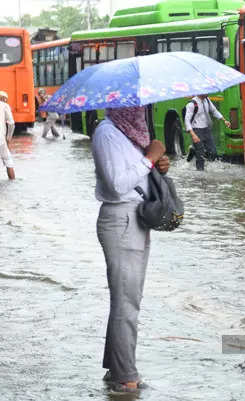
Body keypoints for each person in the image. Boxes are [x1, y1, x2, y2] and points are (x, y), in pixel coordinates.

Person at [92, 106, 169, 393]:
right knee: (127, 303)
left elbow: (137, 177)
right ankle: (126, 378)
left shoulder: (130, 135)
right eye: (133, 102)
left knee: (127, 299)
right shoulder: (107, 133)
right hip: (121, 219)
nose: (140, 109)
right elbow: (116, 185)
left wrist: (158, 164)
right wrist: (149, 159)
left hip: (136, 218)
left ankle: (116, 369)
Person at [184, 94, 231, 170]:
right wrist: (193, 135)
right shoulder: (191, 104)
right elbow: (187, 121)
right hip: (196, 130)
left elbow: (214, 111)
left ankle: (193, 149)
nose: (208, 92)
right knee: (200, 154)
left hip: (206, 129)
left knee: (213, 152)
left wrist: (224, 120)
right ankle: (200, 173)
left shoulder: (207, 100)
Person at [0, 90, 16, 180]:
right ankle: (12, 183)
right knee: (8, 160)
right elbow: (11, 123)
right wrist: (9, 138)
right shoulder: (5, 106)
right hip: (1, 139)